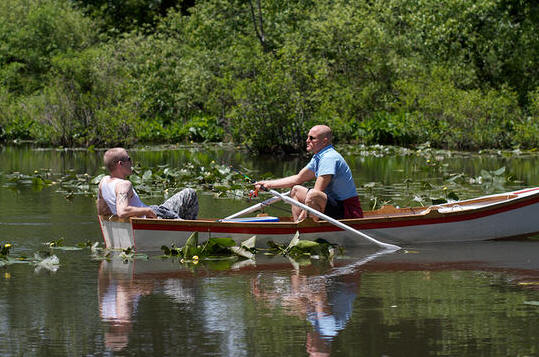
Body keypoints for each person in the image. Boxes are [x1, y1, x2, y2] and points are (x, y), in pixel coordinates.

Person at [254, 125, 363, 221]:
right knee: (296, 189)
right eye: (307, 137)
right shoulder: (319, 157)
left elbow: (317, 191)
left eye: (312, 138)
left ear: (324, 141)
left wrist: (304, 213)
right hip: (334, 206)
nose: (307, 140)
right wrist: (268, 184)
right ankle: (299, 226)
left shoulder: (329, 157)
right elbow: (298, 178)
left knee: (313, 194)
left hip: (349, 211)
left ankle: (303, 225)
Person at [96, 147, 198, 220]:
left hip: (150, 213)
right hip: (152, 215)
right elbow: (122, 212)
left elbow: (102, 211)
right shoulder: (124, 184)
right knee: (189, 193)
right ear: (120, 164)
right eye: (129, 159)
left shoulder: (103, 182)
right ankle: (189, 232)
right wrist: (147, 211)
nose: (132, 163)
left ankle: (181, 224)